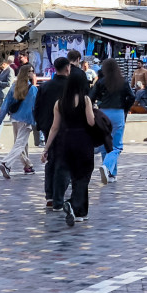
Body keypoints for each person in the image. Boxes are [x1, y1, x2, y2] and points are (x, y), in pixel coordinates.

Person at [41, 70, 96, 226]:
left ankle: (81, 213)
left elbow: (54, 127)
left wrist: (46, 149)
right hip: (83, 141)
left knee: (73, 175)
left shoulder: (59, 103)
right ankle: (73, 205)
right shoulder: (85, 100)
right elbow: (91, 122)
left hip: (66, 141)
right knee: (82, 177)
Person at [90, 58, 134, 185]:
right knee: (117, 145)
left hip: (103, 113)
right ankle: (108, 168)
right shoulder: (123, 81)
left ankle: (111, 173)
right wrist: (125, 108)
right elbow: (131, 96)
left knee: (105, 143)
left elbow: (91, 97)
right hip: (118, 112)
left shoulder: (101, 82)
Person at [35, 57, 72, 209]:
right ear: (67, 68)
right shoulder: (70, 87)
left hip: (47, 126)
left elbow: (37, 107)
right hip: (66, 128)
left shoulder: (45, 86)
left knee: (51, 160)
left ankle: (49, 195)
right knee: (63, 163)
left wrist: (40, 124)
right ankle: (58, 196)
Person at [0, 64, 38, 179]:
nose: (33, 73)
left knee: (22, 143)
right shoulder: (33, 89)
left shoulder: (14, 87)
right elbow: (36, 107)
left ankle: (27, 166)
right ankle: (6, 163)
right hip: (26, 120)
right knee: (20, 144)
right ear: (27, 73)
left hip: (15, 118)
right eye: (31, 71)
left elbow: (5, 105)